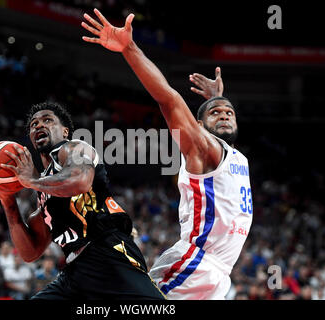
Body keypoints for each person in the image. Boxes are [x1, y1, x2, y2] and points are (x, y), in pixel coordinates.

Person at [82, 8, 253, 299]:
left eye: (229, 112)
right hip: (195, 264)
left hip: (220, 273)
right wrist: (130, 49)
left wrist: (215, 99)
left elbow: (216, 129)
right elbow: (168, 99)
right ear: (199, 126)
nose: (225, 115)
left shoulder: (235, 157)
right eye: (216, 113)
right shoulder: (204, 148)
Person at [0, 101, 165, 300]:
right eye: (33, 125)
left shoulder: (75, 148)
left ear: (65, 132)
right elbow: (31, 252)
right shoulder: (44, 191)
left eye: (47, 120)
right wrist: (8, 201)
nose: (39, 125)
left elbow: (80, 181)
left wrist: (32, 181)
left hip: (109, 254)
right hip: (75, 273)